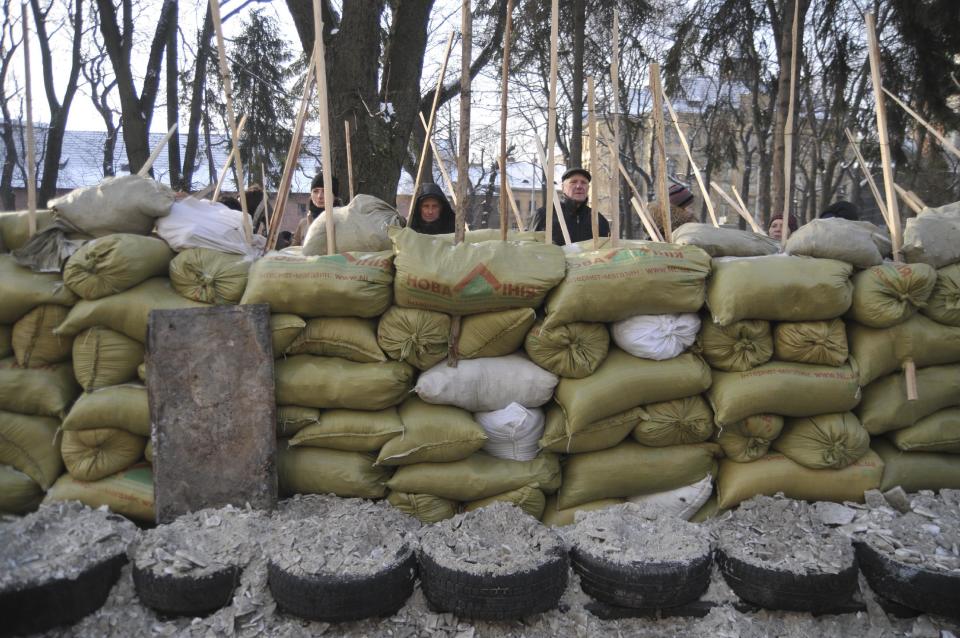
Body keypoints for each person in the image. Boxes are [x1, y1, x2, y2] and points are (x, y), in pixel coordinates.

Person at [531, 167, 609, 245]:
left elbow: (607, 252)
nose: (579, 186)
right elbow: (529, 248)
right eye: (573, 182)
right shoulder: (544, 215)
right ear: (563, 187)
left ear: (588, 188)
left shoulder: (599, 220)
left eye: (583, 182)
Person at [293, 172, 341, 246]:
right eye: (315, 191)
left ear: (334, 196)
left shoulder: (343, 220)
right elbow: (294, 251)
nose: (319, 196)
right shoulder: (303, 223)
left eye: (325, 191)